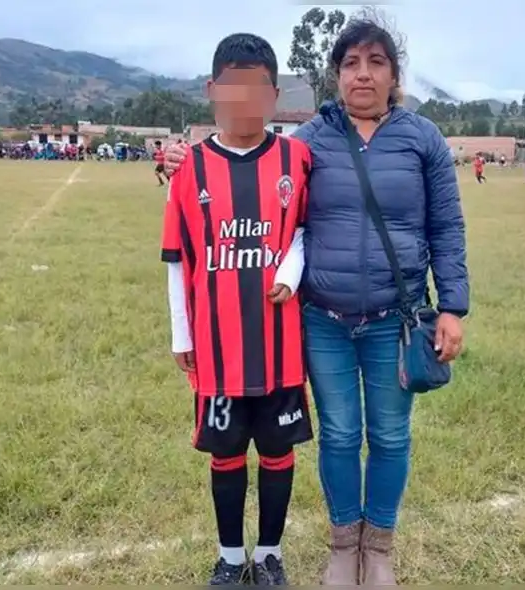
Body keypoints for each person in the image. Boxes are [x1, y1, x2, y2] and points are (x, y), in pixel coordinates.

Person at [166, 17, 468, 586]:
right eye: (351, 63)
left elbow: (447, 227)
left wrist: (452, 306)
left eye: (376, 62)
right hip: (323, 321)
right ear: (337, 75)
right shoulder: (311, 142)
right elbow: (254, 159)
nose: (363, 74)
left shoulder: (422, 138)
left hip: (392, 320)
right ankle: (340, 545)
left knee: (390, 435)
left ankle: (376, 550)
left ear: (394, 74)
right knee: (340, 435)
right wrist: (190, 158)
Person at [161, 32, 314, 586]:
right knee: (224, 456)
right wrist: (182, 334)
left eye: (257, 90)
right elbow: (177, 258)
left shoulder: (299, 157)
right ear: (212, 91)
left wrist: (290, 273)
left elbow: (304, 231)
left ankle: (269, 554)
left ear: (275, 95)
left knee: (278, 453)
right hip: (217, 351)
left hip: (279, 347)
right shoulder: (188, 168)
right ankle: (230, 559)